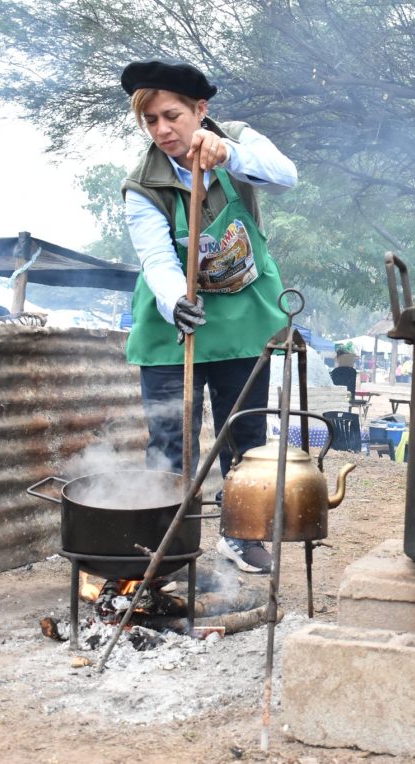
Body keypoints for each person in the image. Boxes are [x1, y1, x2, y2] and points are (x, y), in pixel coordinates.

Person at [120, 60, 298, 573]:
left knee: (243, 432)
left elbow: (287, 177)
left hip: (243, 314)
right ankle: (163, 544)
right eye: (151, 120)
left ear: (201, 110)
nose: (162, 130)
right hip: (174, 321)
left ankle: (242, 535)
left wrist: (232, 155)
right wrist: (177, 300)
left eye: (172, 115)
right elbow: (156, 259)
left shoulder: (239, 139)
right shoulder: (142, 185)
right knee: (171, 437)